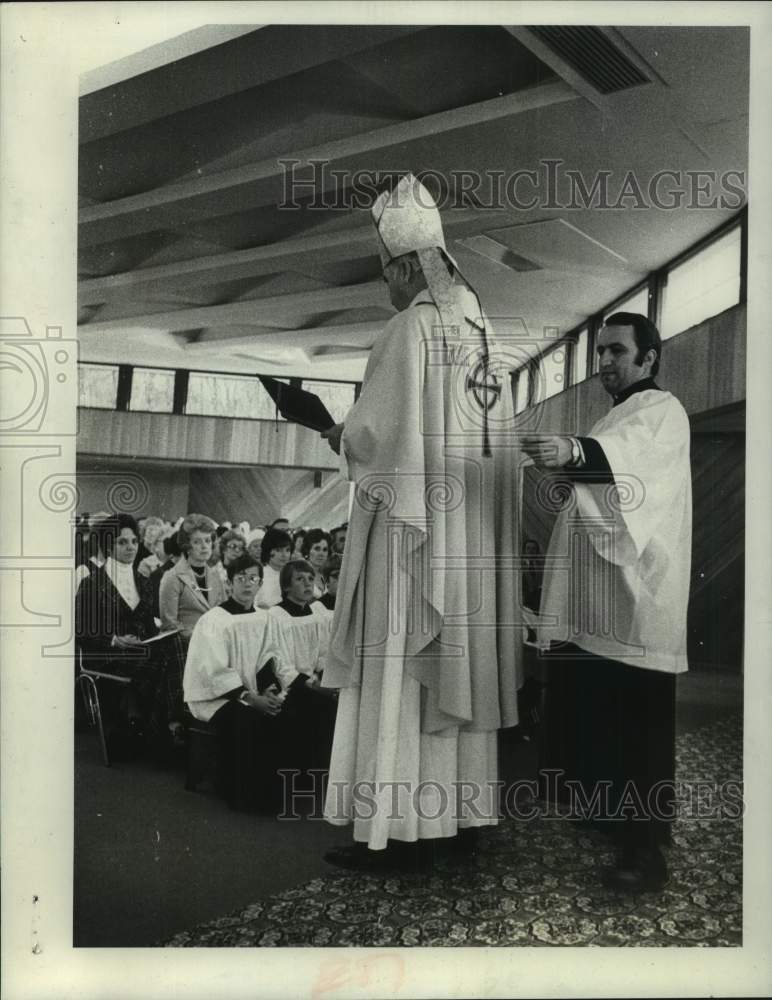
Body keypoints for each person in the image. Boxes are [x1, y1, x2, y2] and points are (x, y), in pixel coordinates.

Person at [319, 173, 521, 870]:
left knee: (400, 672)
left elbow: (376, 436)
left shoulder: (411, 326)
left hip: (414, 542)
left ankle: (397, 832)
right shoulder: (484, 331)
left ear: (407, 265)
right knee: (454, 666)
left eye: (387, 274)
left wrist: (340, 435)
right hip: (468, 545)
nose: (387, 289)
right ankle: (462, 817)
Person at [522, 311, 692, 893]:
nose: (604, 364)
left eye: (617, 351)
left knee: (637, 724)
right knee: (607, 719)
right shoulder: (615, 415)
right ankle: (614, 818)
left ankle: (646, 855)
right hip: (601, 599)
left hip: (638, 599)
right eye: (599, 353)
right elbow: (599, 477)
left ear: (649, 358)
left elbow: (629, 468)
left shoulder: (661, 412)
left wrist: (572, 450)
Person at [183, 554, 303, 810]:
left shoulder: (264, 617)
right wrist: (250, 697)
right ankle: (244, 797)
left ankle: (275, 795)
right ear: (229, 582)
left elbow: (272, 654)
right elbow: (211, 670)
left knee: (286, 713)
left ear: (260, 583)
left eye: (253, 578)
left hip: (253, 691)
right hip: (214, 697)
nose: (247, 584)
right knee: (248, 720)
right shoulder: (214, 620)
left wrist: (269, 691)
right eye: (241, 578)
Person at [256, 527, 293, 609]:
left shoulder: (293, 574)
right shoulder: (259, 575)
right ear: (268, 550)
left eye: (287, 550)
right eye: (278, 550)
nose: (284, 555)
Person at [300, 528, 331, 598]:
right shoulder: (299, 574)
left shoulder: (324, 576)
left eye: (325, 550)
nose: (321, 554)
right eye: (317, 549)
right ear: (307, 550)